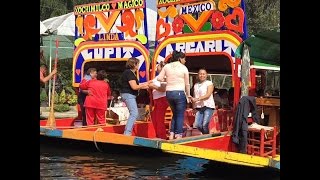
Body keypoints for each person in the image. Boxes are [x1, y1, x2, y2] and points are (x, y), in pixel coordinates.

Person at [157, 50, 191, 139]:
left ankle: (171, 133)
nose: (185, 61)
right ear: (180, 59)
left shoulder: (167, 66)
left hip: (169, 93)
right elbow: (187, 84)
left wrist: (167, 79)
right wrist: (189, 95)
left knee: (175, 113)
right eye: (184, 59)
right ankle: (178, 134)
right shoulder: (183, 68)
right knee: (180, 114)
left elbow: (159, 78)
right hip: (179, 92)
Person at [120, 57, 149, 136]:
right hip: (129, 95)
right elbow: (134, 87)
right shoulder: (129, 73)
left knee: (133, 113)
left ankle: (128, 132)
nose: (138, 65)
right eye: (138, 64)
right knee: (134, 113)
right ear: (134, 64)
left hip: (129, 95)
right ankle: (127, 133)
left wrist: (146, 84)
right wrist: (145, 85)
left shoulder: (130, 73)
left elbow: (136, 86)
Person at [191, 68, 215, 134]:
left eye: (203, 74)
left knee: (205, 125)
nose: (202, 75)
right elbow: (194, 96)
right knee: (197, 125)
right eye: (200, 74)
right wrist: (193, 107)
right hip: (198, 107)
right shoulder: (195, 85)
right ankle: (206, 135)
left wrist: (198, 99)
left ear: (206, 75)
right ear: (198, 75)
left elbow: (208, 94)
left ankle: (206, 138)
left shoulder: (209, 83)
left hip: (208, 106)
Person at [149, 61, 169, 139]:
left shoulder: (164, 77)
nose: (156, 67)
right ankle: (158, 134)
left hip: (162, 99)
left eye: (158, 66)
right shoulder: (157, 77)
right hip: (156, 100)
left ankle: (162, 136)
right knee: (155, 118)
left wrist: (153, 86)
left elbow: (163, 89)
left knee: (159, 119)